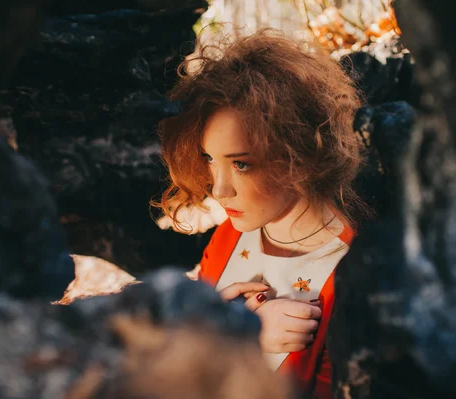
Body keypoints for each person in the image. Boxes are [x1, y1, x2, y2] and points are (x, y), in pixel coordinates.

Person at [153, 29, 366, 398]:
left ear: (299, 155)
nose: (218, 190)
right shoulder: (229, 234)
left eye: (242, 165)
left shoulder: (353, 275)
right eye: (209, 159)